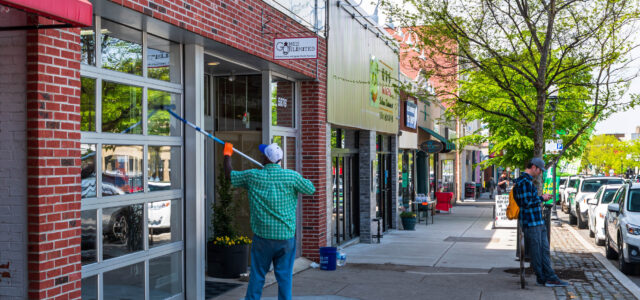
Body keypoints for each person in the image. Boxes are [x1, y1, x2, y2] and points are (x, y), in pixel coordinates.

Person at [223, 142, 315, 300]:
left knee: (257, 276)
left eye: (262, 154)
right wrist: (294, 180)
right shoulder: (291, 176)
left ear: (265, 158)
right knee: (284, 278)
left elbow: (229, 175)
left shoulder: (253, 176)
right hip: (285, 238)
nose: (260, 156)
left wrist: (227, 155)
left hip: (263, 238)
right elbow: (310, 188)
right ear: (279, 160)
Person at [513, 158, 569, 287]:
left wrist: (540, 198)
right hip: (531, 222)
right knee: (537, 251)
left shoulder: (526, 182)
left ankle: (549, 276)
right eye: (539, 170)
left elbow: (528, 200)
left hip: (537, 221)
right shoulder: (524, 182)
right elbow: (526, 203)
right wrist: (541, 198)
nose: (540, 173)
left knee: (543, 250)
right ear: (534, 167)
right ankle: (543, 277)